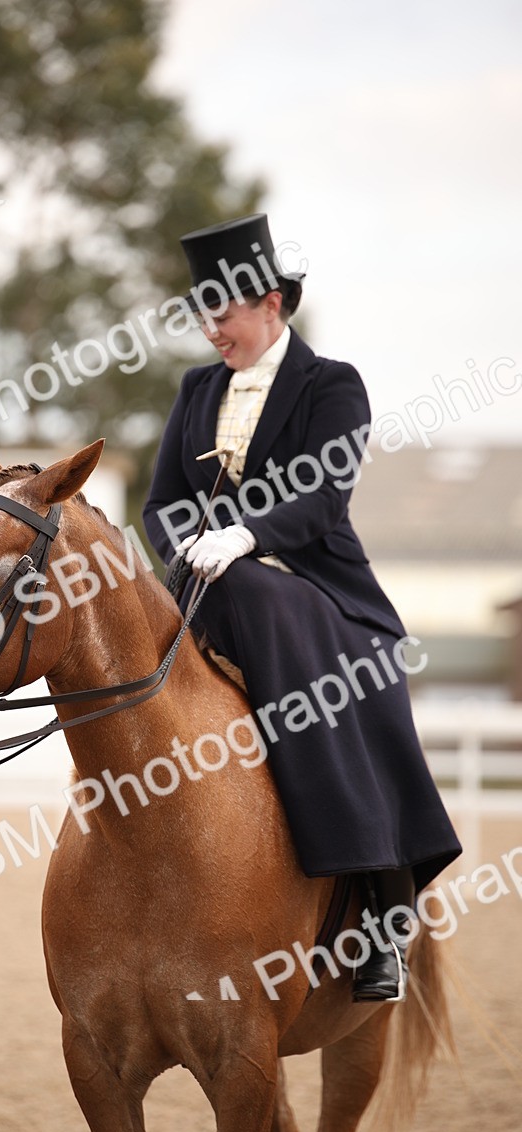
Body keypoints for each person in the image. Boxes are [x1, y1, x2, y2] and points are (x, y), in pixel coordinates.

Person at [143, 214, 462, 1002]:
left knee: (254, 589)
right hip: (208, 582)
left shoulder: (333, 385)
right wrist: (192, 544)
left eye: (223, 312)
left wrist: (245, 535)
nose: (212, 329)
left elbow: (323, 500)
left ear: (272, 305)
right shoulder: (195, 390)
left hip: (320, 590)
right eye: (201, 314)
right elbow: (160, 504)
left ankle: (382, 919)